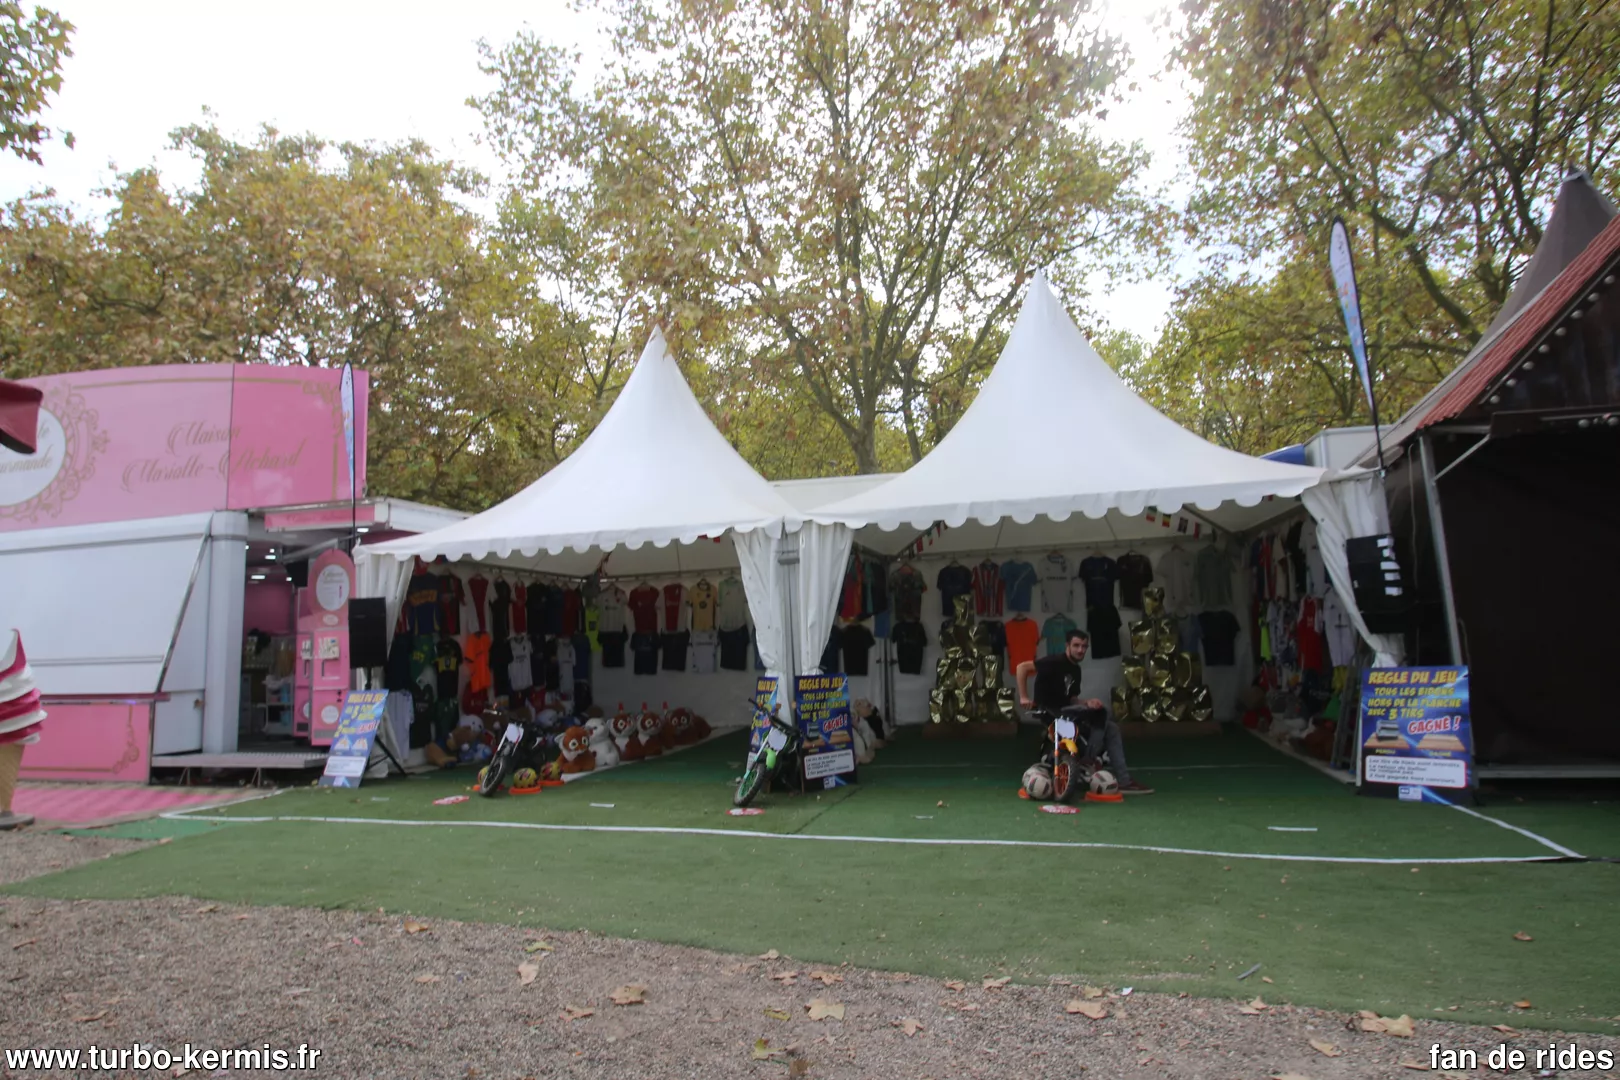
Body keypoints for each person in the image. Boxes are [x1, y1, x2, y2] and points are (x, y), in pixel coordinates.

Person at [1014, 628, 1153, 794]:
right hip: (1050, 712)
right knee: (1102, 713)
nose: (1080, 650)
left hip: (1067, 712)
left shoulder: (1076, 670)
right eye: (1076, 645)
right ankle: (1089, 759)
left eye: (1084, 646)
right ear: (1067, 645)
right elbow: (1022, 667)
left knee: (1111, 727)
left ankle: (1124, 781)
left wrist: (1087, 702)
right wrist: (1024, 697)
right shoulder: (1054, 661)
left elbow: (1072, 699)